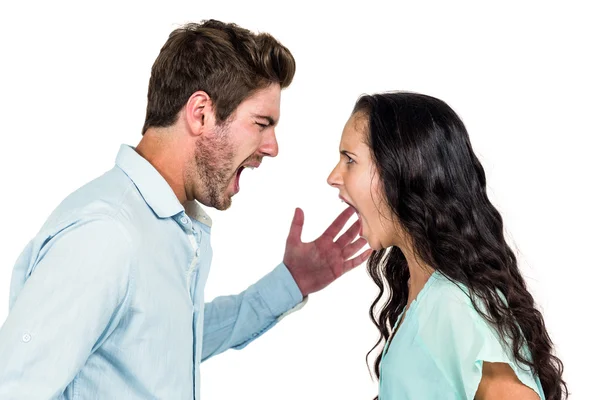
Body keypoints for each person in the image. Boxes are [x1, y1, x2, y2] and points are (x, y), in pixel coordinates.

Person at [0, 20, 371, 399]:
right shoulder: (107, 234)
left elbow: (164, 347)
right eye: (261, 123)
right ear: (201, 113)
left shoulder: (163, 226)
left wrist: (289, 283)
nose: (272, 146)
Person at [327, 91, 567, 399]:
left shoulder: (454, 306)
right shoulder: (424, 298)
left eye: (350, 159)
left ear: (403, 170)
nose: (333, 176)